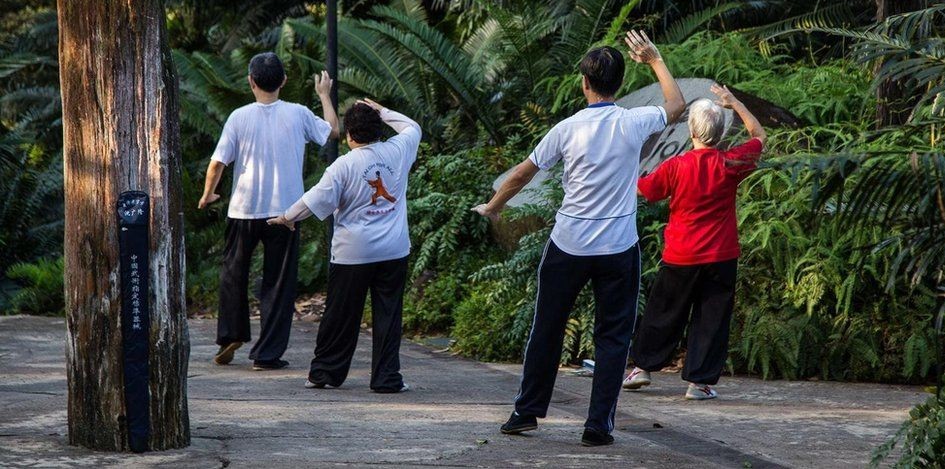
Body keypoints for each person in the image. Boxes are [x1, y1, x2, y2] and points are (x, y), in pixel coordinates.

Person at [472, 30, 686, 447]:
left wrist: (495, 206)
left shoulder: (566, 129)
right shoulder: (632, 121)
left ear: (584, 83)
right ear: (620, 85)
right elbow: (676, 105)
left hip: (568, 243)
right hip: (618, 248)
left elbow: (521, 173)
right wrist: (655, 60)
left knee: (547, 328)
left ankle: (525, 413)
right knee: (612, 337)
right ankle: (598, 426)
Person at [623, 84, 766, 400]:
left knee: (663, 311)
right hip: (721, 255)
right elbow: (759, 136)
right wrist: (737, 103)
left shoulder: (676, 166)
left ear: (691, 131)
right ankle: (699, 383)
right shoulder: (731, 163)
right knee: (711, 318)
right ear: (720, 132)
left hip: (681, 254)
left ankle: (642, 369)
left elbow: (643, 189)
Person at [268, 98, 420, 394]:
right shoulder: (399, 150)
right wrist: (384, 111)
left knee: (340, 315)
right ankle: (386, 379)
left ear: (349, 135)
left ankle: (325, 372)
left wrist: (287, 217)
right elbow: (412, 126)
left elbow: (313, 199)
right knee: (388, 315)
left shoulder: (343, 165)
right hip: (393, 250)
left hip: (353, 254)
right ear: (379, 130)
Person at [199, 52, 339, 371]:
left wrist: (208, 194)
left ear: (251, 81)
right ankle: (267, 354)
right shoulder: (298, 113)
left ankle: (230, 334)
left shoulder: (238, 117)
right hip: (285, 213)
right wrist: (324, 95)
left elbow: (218, 163)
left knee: (233, 272)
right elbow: (332, 130)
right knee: (278, 281)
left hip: (243, 210)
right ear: (284, 82)